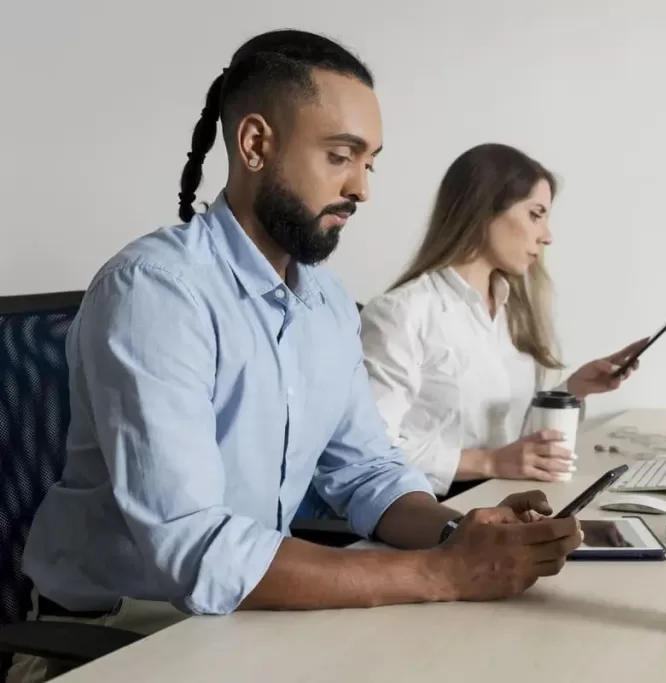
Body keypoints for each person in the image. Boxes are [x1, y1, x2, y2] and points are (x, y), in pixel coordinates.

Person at [17, 29, 582, 661]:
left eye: (370, 163)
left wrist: (460, 534)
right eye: (341, 156)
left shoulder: (326, 303)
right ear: (255, 144)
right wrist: (443, 573)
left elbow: (367, 471)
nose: (362, 189)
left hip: (245, 617)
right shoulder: (156, 292)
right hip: (123, 636)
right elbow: (195, 547)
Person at [355, 143, 646, 497]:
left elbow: (515, 442)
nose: (547, 235)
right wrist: (488, 462)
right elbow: (367, 451)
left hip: (505, 498)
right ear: (485, 210)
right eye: (536, 215)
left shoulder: (512, 312)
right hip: (436, 509)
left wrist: (573, 391)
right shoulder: (401, 313)